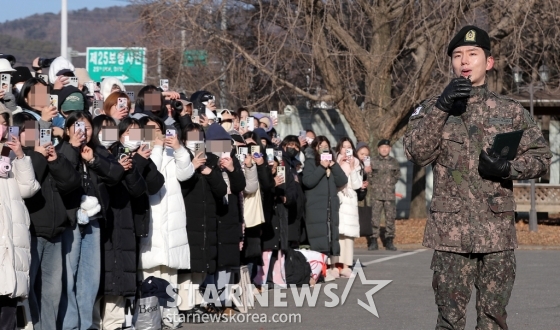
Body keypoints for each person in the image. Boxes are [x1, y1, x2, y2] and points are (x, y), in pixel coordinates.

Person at [403, 26, 551, 330]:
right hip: (450, 235)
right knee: (449, 321)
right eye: (457, 55)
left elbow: (541, 158)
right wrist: (442, 107)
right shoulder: (432, 108)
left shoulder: (510, 111)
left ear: (489, 62)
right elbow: (417, 152)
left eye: (472, 53)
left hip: (495, 234)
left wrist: (509, 169)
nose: (464, 60)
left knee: (493, 319)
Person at [14, 112, 81, 330]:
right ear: (17, 133)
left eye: (37, 129)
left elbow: (71, 183)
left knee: (52, 291)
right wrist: (39, 157)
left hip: (55, 232)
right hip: (30, 232)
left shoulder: (49, 153)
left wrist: (55, 159)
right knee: (29, 287)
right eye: (27, 130)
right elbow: (27, 185)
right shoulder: (16, 158)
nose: (34, 134)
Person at [0, 107, 40, 330]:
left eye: (5, 123)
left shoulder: (12, 156)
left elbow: (29, 188)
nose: (2, 127)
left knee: (8, 307)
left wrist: (21, 156)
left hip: (13, 243)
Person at [302, 136, 347, 280]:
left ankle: (329, 268)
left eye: (326, 145)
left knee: (330, 237)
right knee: (318, 239)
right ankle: (319, 271)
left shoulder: (332, 164)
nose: (324, 148)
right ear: (315, 148)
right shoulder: (311, 163)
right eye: (320, 146)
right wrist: (322, 167)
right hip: (316, 208)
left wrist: (333, 166)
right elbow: (308, 182)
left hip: (330, 207)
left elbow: (342, 180)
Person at [334, 137, 363, 277]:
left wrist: (352, 168)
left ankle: (346, 266)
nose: (346, 149)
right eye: (344, 146)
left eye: (349, 147)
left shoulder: (357, 163)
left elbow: (357, 185)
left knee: (348, 237)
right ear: (339, 148)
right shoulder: (334, 162)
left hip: (350, 201)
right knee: (336, 234)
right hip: (338, 198)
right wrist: (338, 164)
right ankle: (334, 265)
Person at [368, 139, 400, 251]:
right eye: (382, 147)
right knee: (374, 218)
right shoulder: (372, 161)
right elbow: (369, 175)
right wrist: (376, 185)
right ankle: (373, 240)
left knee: (390, 218)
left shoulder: (394, 162)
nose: (384, 149)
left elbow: (397, 175)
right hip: (376, 195)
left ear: (390, 149)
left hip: (389, 195)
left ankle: (389, 240)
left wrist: (389, 185)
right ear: (378, 149)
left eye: (386, 147)